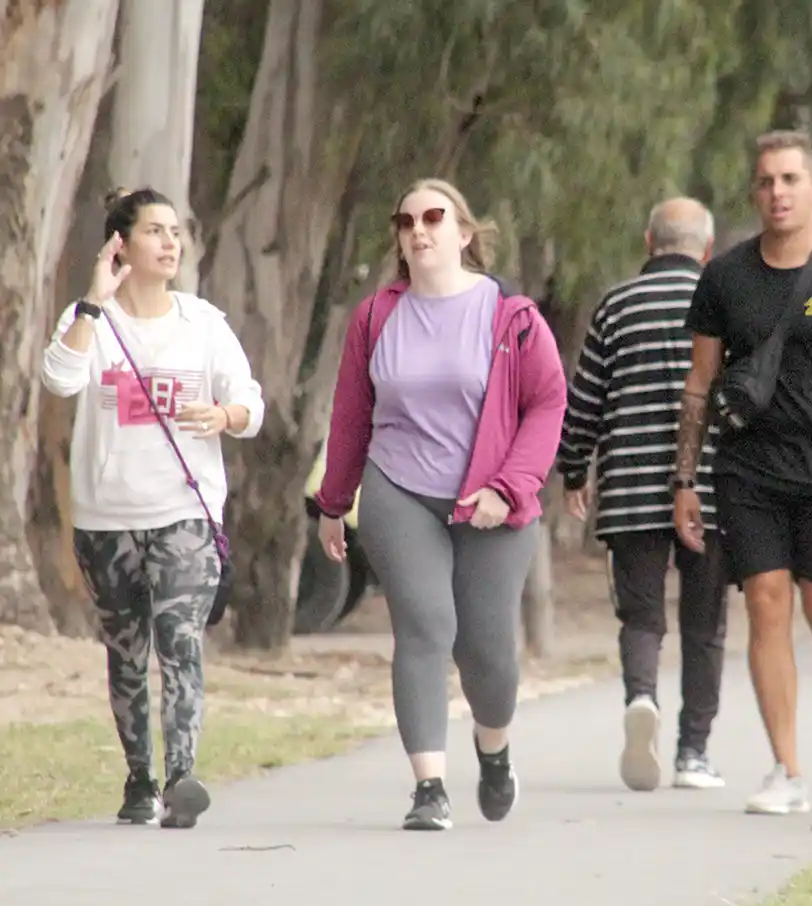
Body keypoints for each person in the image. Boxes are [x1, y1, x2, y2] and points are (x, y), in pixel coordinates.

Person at [313, 178, 567, 831]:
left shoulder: (510, 315)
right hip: (400, 489)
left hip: (492, 501)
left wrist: (508, 487)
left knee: (487, 651)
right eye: (406, 221)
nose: (418, 230)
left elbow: (546, 405)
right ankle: (429, 788)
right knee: (425, 629)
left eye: (433, 217)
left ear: (464, 232)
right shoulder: (375, 317)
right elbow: (351, 415)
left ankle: (495, 748)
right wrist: (333, 501)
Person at [672, 129, 812, 815]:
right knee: (767, 606)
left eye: (790, 180)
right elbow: (700, 384)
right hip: (748, 472)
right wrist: (686, 480)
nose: (778, 193)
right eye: (766, 181)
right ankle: (787, 770)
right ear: (754, 192)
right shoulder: (725, 277)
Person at [40, 186, 266, 829]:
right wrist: (92, 301)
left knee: (180, 640)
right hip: (107, 516)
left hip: (185, 510)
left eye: (176, 232)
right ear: (121, 244)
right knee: (127, 649)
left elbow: (251, 405)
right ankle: (140, 777)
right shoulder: (89, 320)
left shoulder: (203, 323)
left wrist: (223, 413)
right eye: (155, 231)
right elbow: (60, 378)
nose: (171, 243)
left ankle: (182, 776)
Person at [556, 197, 730, 792]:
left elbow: (586, 399)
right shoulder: (725, 303)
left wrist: (574, 469)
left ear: (647, 241)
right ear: (706, 249)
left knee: (642, 615)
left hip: (629, 488)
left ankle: (641, 699)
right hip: (709, 489)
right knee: (705, 624)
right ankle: (693, 754)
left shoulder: (616, 305)